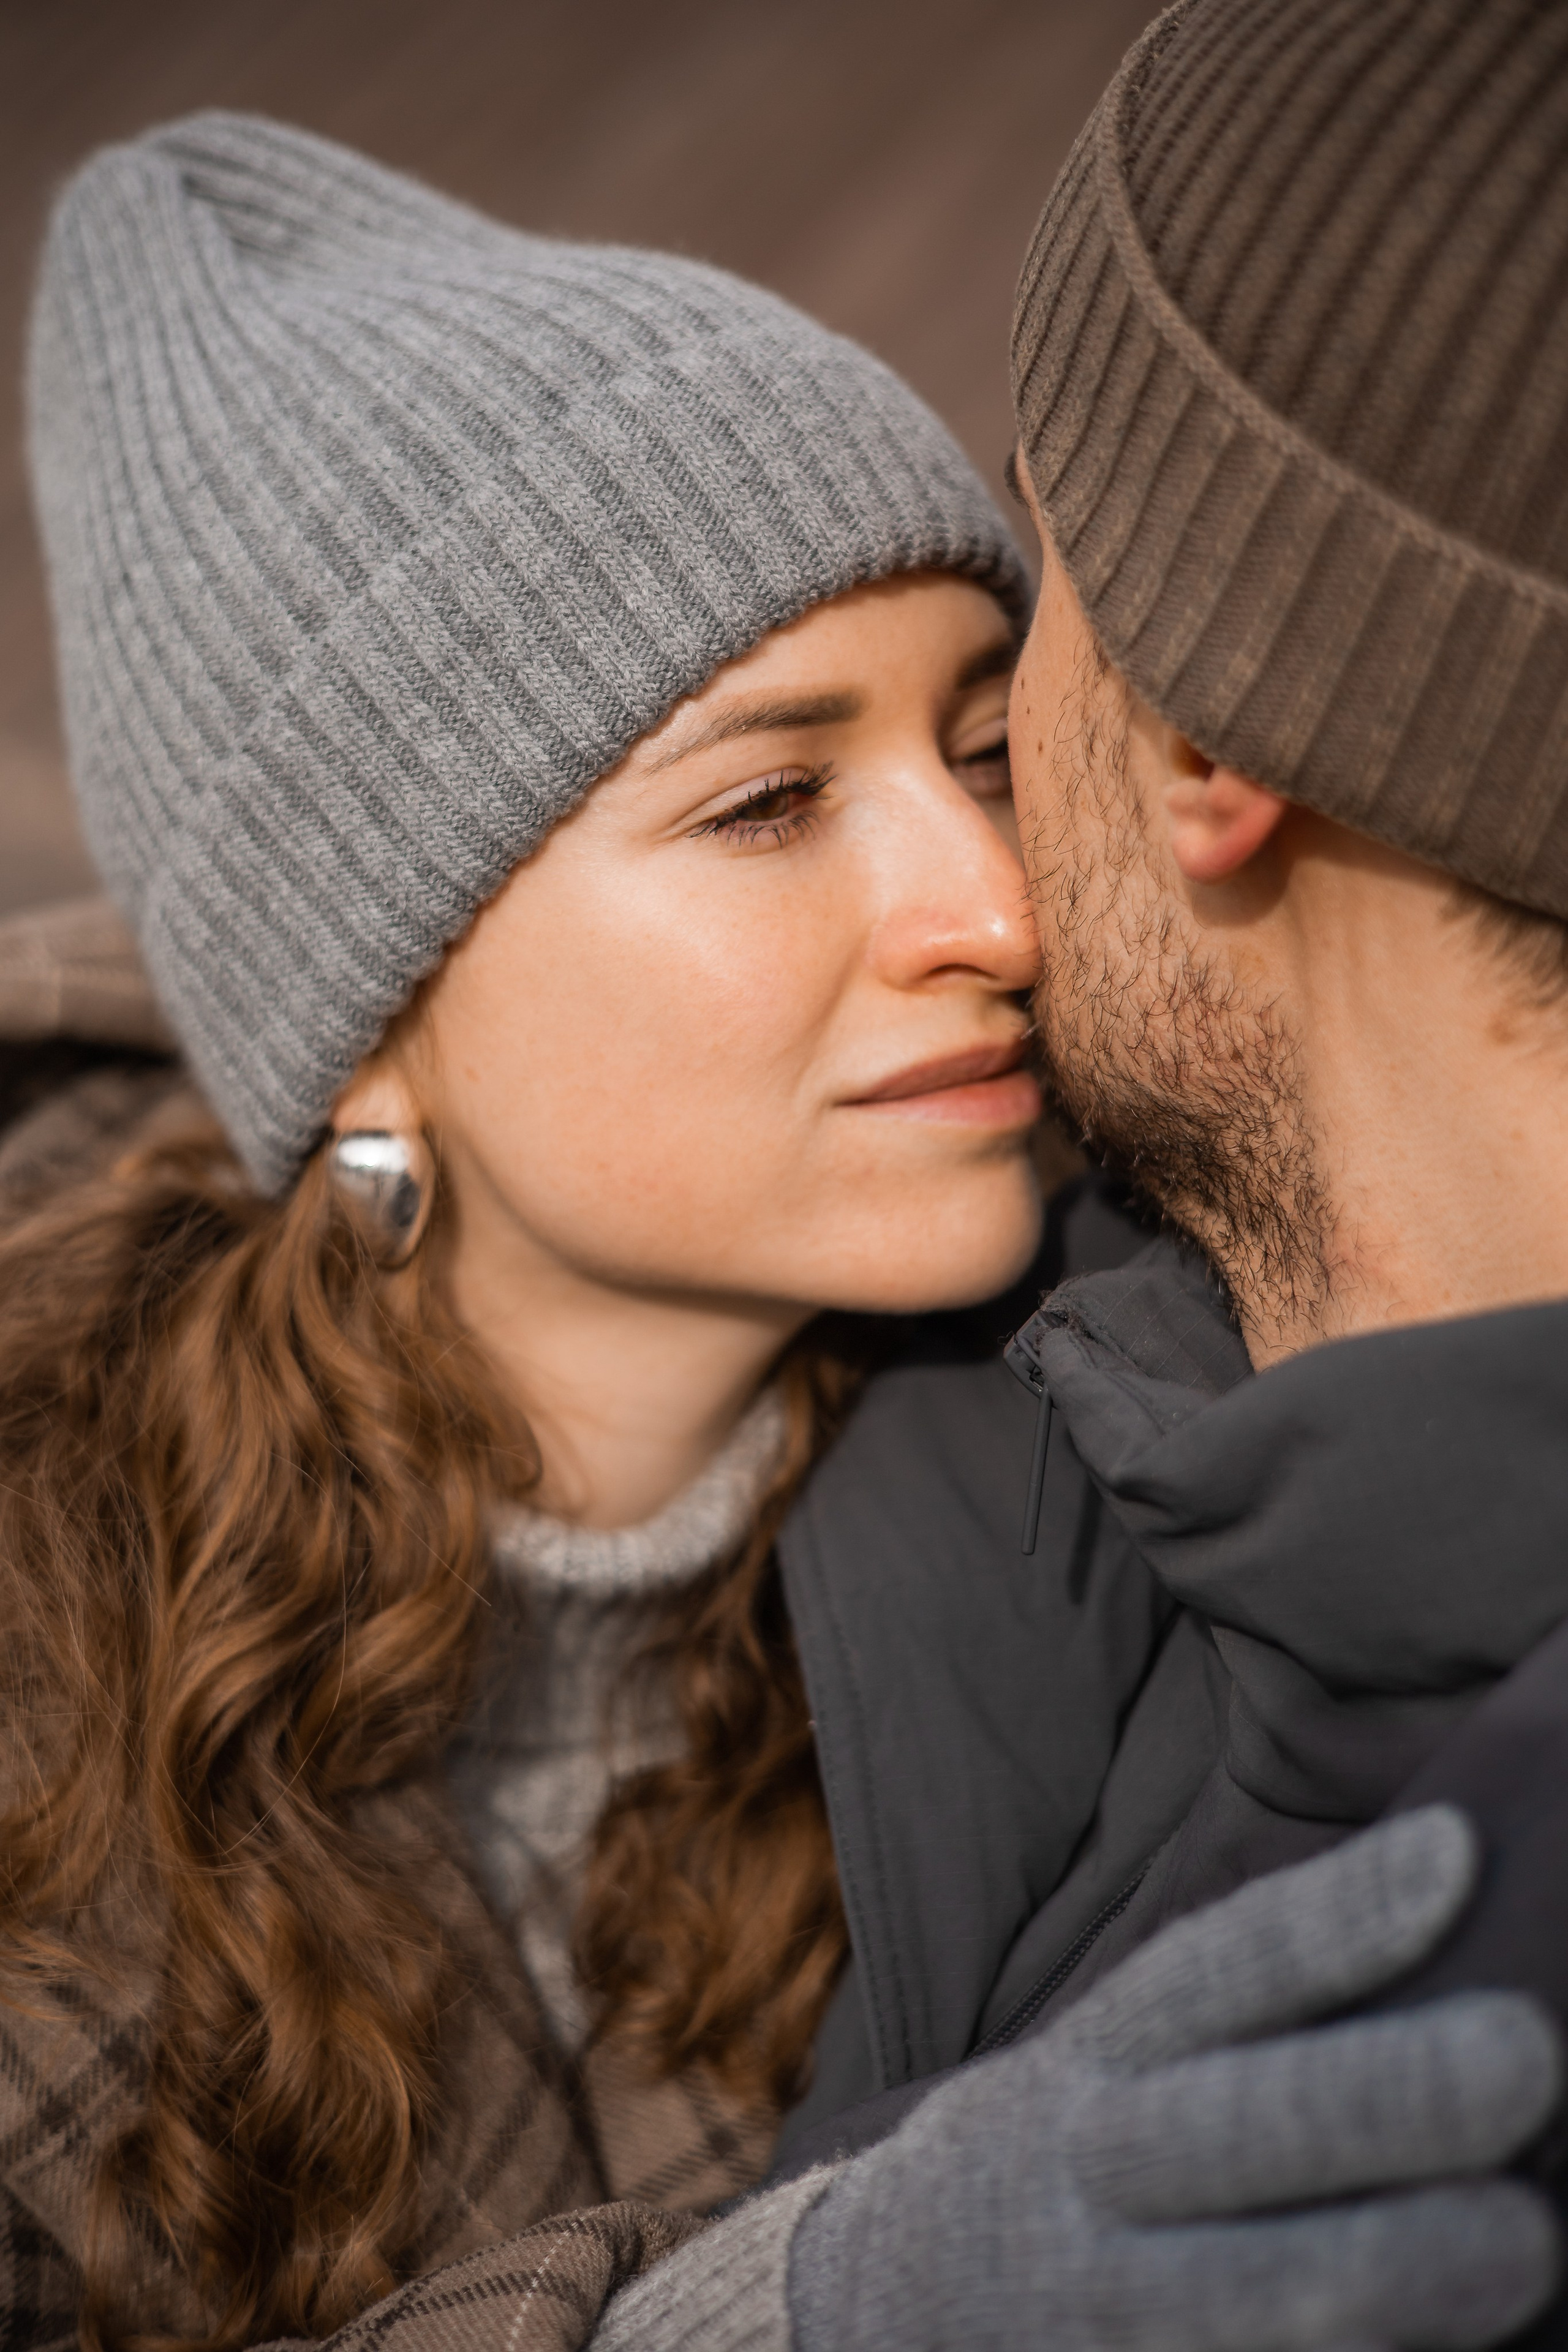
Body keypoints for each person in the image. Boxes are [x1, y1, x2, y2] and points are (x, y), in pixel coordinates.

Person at [4, 83, 1553, 2352]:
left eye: (989, 747)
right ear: (365, 1006)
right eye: (766, 800)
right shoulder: (53, 1662)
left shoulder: (1089, 1458)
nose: (992, 904)